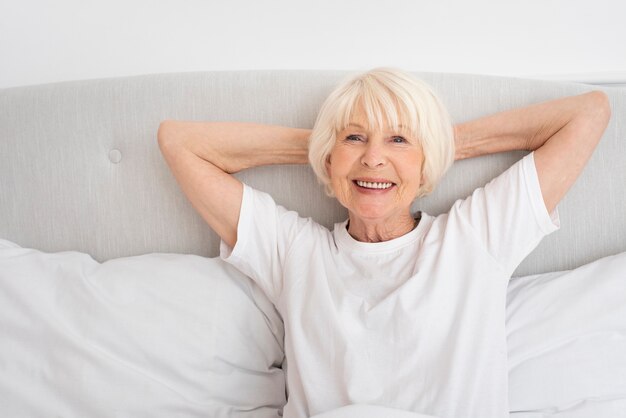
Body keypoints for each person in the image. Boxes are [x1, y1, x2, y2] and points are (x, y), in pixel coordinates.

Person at [157, 68, 611, 418]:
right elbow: (178, 141)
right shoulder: (296, 251)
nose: (374, 157)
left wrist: (436, 144)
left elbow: (589, 112)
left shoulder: (475, 236)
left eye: (397, 139)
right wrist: (325, 149)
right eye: (355, 137)